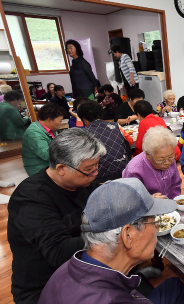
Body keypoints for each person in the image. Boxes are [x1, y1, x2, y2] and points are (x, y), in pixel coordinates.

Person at [38, 178, 184, 304]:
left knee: (174, 286)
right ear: (128, 235)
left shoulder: (68, 267)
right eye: (154, 222)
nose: (157, 228)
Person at [8, 128, 105, 304]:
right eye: (89, 169)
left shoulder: (82, 181)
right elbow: (58, 252)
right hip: (43, 285)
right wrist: (110, 231)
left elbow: (101, 202)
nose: (95, 174)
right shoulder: (31, 198)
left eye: (97, 166)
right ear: (61, 168)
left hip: (80, 270)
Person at [77, 101, 130, 183]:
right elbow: (129, 141)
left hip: (100, 177)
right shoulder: (115, 126)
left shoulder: (84, 134)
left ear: (84, 119)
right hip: (124, 172)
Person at [123, 127, 182, 198]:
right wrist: (150, 200)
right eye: (161, 160)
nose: (167, 163)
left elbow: (176, 184)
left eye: (171, 157)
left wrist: (174, 202)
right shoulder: (134, 170)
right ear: (148, 155)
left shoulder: (168, 157)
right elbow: (132, 199)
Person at [21, 103, 64, 176]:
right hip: (39, 168)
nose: (61, 123)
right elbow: (47, 155)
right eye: (60, 121)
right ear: (49, 119)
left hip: (51, 164)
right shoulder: (33, 133)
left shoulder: (51, 129)